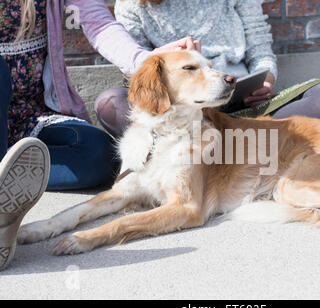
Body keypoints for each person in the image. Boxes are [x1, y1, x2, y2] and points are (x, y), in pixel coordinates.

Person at [0, 0, 198, 271]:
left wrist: (147, 62)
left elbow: (100, 24)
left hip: (30, 115)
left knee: (101, 155)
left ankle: (8, 172)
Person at [95, 0, 320, 138]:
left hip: (243, 104)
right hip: (181, 116)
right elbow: (138, 77)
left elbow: (261, 52)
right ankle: (247, 144)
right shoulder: (132, 5)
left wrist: (266, 81)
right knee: (109, 103)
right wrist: (173, 59)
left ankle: (224, 145)